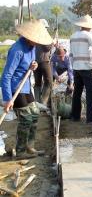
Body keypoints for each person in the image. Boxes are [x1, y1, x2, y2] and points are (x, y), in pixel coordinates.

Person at [1, 20, 53, 158]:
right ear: (28, 37)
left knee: (35, 113)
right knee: (26, 118)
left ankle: (30, 146)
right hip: (14, 89)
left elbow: (29, 64)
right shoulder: (17, 50)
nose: (37, 43)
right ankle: (20, 151)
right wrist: (7, 99)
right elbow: (6, 76)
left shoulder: (32, 48)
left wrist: (33, 66)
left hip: (25, 86)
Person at [34, 19, 54, 105]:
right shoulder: (43, 35)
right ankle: (43, 102)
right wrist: (52, 42)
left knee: (37, 82)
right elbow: (47, 48)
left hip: (35, 61)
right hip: (44, 61)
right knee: (49, 81)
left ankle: (38, 102)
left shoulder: (34, 34)